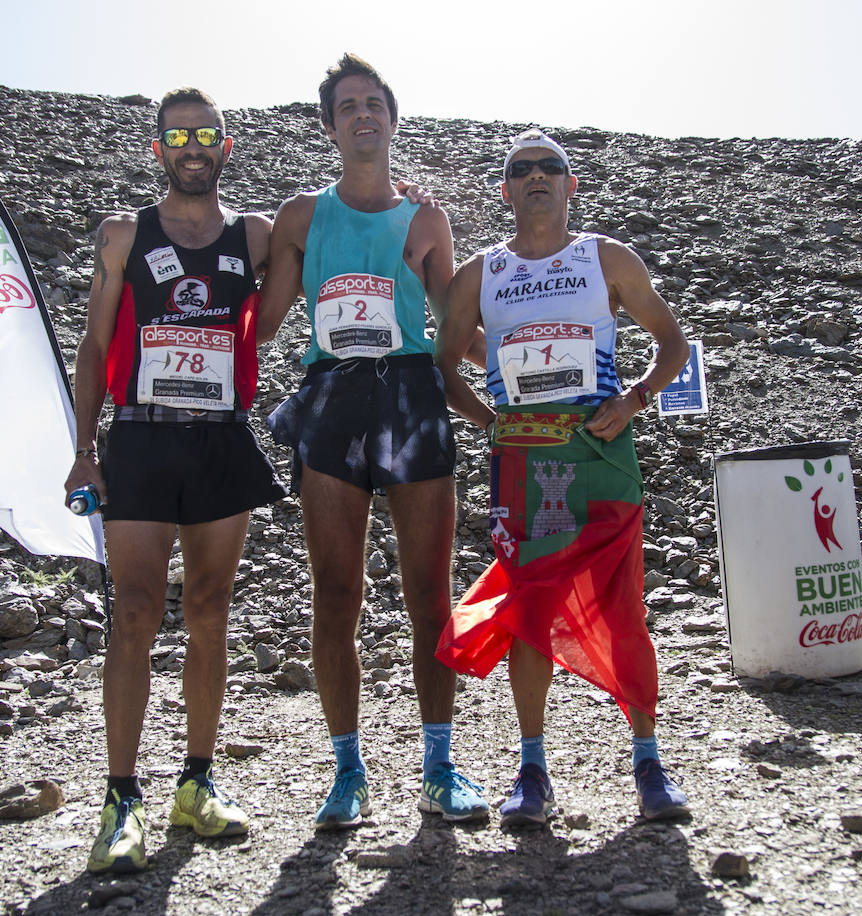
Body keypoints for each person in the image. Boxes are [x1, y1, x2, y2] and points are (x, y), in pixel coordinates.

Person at [434, 129, 693, 827]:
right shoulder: (481, 274)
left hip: (603, 456)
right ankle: (532, 768)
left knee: (623, 606)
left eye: (553, 166)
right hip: (524, 464)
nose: (538, 176)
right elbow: (444, 364)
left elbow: (672, 343)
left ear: (571, 184)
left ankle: (648, 761)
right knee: (529, 613)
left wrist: (636, 396)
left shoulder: (604, 257)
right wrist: (488, 421)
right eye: (523, 169)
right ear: (506, 188)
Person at [256, 53, 488, 829]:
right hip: (331, 398)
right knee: (336, 596)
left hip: (413, 395)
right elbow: (262, 318)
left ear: (391, 119)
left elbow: (456, 324)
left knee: (429, 595)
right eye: (347, 105)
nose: (363, 115)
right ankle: (347, 771)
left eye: (374, 104)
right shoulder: (299, 215)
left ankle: (439, 764)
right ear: (329, 126)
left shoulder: (427, 220)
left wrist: (538, 378)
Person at [65, 87, 288, 874]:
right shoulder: (125, 233)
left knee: (209, 609)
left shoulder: (256, 235)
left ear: (227, 145)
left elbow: (336, 227)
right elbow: (95, 348)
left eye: (206, 134)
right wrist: (85, 447)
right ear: (157, 148)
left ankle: (196, 784)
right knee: (132, 612)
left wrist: (412, 192)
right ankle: (120, 798)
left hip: (221, 440)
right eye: (178, 136)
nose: (193, 147)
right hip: (141, 438)